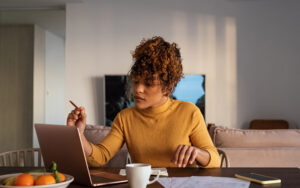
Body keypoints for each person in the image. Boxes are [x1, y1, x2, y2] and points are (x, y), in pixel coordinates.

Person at [67, 36, 221, 168]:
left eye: (148, 83)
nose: (138, 89)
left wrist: (198, 153)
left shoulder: (189, 112)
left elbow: (215, 161)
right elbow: (100, 156)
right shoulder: (125, 117)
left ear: (168, 88)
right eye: (135, 81)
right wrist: (78, 134)